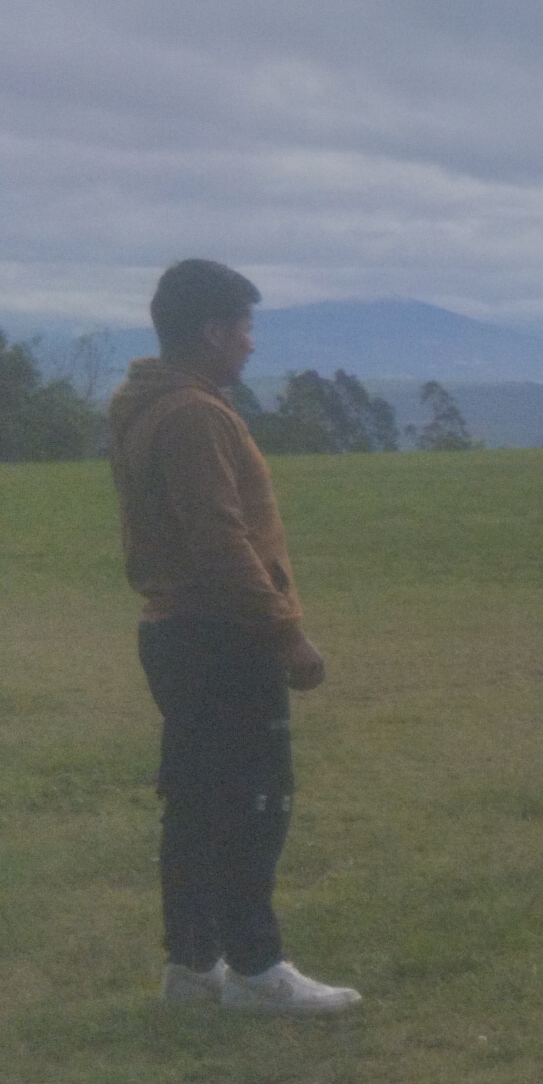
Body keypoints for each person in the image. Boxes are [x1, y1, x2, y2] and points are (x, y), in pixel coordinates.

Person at [109, 260, 362, 1014]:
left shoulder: (145, 403)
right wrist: (285, 633)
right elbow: (221, 540)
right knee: (254, 801)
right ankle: (256, 969)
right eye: (246, 329)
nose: (252, 344)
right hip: (221, 635)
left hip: (176, 630)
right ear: (214, 332)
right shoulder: (195, 415)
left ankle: (193, 969)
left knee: (197, 802)